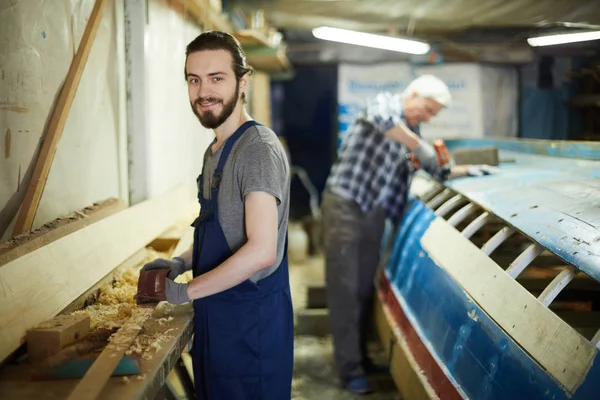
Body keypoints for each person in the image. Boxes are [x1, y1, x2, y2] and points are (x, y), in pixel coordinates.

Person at [139, 31, 293, 400]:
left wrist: (185, 291)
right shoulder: (216, 149)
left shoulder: (256, 150)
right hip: (219, 322)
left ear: (243, 82)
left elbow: (260, 251)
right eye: (194, 80)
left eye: (216, 78)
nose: (203, 91)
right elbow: (222, 229)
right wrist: (180, 262)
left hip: (249, 330)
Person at [322, 74, 496, 394]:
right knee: (345, 292)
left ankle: (358, 358)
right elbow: (381, 118)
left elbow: (435, 169)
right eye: (426, 109)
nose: (426, 118)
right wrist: (420, 144)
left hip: (373, 213)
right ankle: (349, 371)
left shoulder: (412, 134)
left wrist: (465, 170)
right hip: (345, 208)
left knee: (361, 290)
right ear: (413, 94)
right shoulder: (385, 105)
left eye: (432, 116)